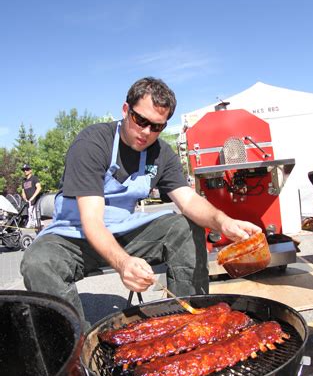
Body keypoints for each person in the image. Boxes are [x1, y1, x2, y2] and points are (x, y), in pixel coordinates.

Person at [21, 77, 261, 329]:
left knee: (185, 227)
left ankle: (191, 324)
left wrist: (225, 222)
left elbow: (188, 200)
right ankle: (75, 347)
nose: (147, 132)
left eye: (157, 126)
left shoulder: (160, 153)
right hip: (75, 234)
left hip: (124, 230)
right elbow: (91, 221)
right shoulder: (92, 143)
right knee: (38, 262)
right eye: (140, 120)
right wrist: (124, 263)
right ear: (126, 110)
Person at [21, 164, 42, 228]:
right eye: (24, 170)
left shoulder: (34, 178)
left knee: (37, 219)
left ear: (30, 170)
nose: (25, 171)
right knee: (30, 217)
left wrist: (33, 197)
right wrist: (25, 198)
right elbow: (23, 192)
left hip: (36, 202)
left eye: (27, 169)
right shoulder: (23, 181)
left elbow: (39, 188)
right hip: (29, 203)